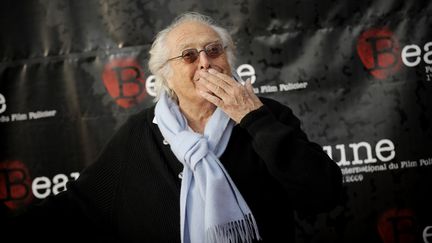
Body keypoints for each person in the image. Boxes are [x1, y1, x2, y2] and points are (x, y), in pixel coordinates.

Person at [5, 12, 342, 243]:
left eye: (213, 50)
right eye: (189, 55)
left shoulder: (269, 116)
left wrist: (254, 118)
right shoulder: (140, 134)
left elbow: (323, 193)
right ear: (165, 74)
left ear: (229, 58)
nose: (205, 62)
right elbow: (78, 207)